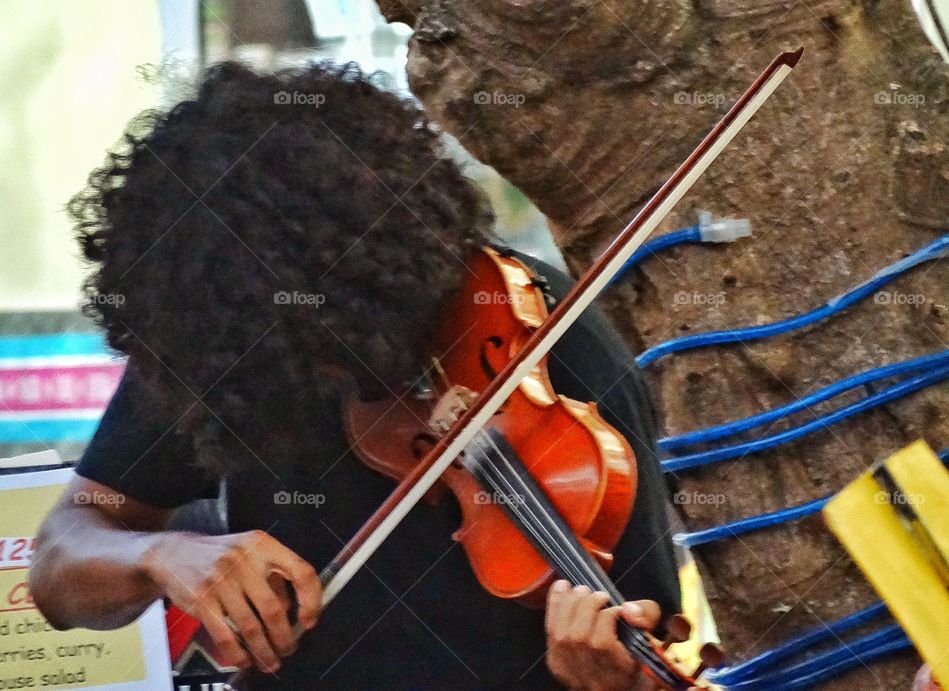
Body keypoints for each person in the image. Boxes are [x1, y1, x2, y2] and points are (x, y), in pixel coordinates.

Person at [28, 61, 682, 690]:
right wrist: (160, 557)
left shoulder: (557, 349)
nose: (314, 375)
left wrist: (605, 676)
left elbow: (648, 654)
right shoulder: (224, 340)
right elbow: (60, 561)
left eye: (316, 343)